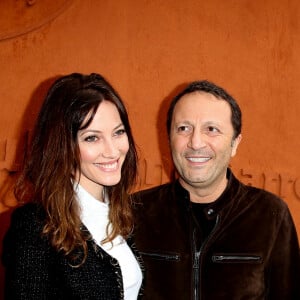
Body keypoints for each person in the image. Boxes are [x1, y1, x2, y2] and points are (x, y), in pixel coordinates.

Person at [132, 80, 300, 299]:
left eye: (211, 129)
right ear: (169, 139)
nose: (196, 142)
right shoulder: (135, 212)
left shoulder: (270, 215)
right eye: (183, 128)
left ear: (235, 143)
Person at [2, 73, 143, 299]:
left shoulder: (121, 212)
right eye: (92, 138)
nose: (112, 151)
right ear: (62, 146)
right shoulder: (35, 226)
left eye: (118, 132)